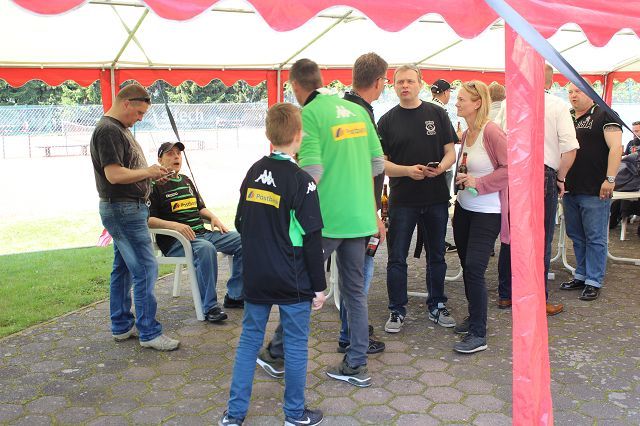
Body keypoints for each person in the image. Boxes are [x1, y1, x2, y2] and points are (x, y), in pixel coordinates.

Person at [256, 59, 385, 388]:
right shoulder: (355, 110)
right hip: (359, 216)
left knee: (300, 284)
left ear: (295, 86)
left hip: (325, 220)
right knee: (355, 292)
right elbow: (377, 163)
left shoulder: (309, 115)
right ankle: (356, 364)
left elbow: (312, 172)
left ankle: (278, 353)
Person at [219, 103, 326, 426]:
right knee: (295, 345)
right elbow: (312, 238)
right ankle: (294, 414)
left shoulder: (253, 171)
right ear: (299, 136)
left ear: (269, 134)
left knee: (248, 341)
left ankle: (233, 415)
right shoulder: (302, 181)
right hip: (292, 278)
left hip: (256, 274)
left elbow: (240, 222)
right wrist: (319, 287)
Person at [90, 83, 179, 351]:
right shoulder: (108, 130)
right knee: (145, 268)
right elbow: (114, 175)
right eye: (139, 112)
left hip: (126, 208)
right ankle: (149, 332)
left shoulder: (119, 129)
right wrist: (148, 172)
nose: (140, 118)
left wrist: (151, 177)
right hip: (123, 209)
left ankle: (121, 326)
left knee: (123, 268)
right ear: (126, 103)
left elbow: (127, 172)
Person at [378, 65, 457, 334]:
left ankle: (437, 304)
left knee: (437, 255)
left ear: (420, 84)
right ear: (393, 86)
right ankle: (396, 309)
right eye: (400, 82)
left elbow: (450, 152)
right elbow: (381, 164)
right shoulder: (386, 121)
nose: (405, 86)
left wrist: (441, 168)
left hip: (436, 198)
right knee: (396, 258)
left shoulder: (437, 113)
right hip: (402, 201)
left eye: (410, 81)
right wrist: (407, 171)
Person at [496, 64, 579, 316]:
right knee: (539, 240)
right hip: (542, 173)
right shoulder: (557, 105)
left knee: (512, 235)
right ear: (550, 83)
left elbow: (498, 140)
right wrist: (561, 178)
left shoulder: (509, 103)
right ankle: (537, 299)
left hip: (514, 173)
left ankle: (506, 294)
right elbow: (570, 149)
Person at [148, 142, 244, 323]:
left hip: (202, 234)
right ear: (160, 160)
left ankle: (236, 296)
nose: (176, 157)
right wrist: (175, 226)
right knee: (206, 248)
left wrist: (213, 217)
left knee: (243, 240)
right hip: (177, 241)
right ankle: (210, 307)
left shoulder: (186, 180)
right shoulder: (153, 185)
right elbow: (148, 220)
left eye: (178, 153)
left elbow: (200, 208)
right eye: (170, 154)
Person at [337, 52, 388, 355]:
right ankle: (351, 336)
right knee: (359, 276)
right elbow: (364, 167)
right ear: (379, 81)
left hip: (344, 206)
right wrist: (374, 214)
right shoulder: (360, 113)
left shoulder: (343, 108)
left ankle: (350, 331)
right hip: (358, 210)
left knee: (352, 275)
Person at [452, 80, 508, 354]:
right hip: (464, 210)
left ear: (477, 103)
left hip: (488, 212)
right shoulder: (466, 133)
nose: (457, 103)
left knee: (474, 267)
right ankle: (474, 315)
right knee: (467, 265)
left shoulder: (492, 131)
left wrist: (479, 182)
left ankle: (478, 333)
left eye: (462, 99)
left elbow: (511, 169)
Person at [560, 82, 623, 301]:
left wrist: (610, 179)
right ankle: (581, 274)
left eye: (578, 91)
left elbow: (616, 147)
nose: (573, 95)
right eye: (570, 92)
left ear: (590, 92)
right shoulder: (567, 116)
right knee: (576, 235)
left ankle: (594, 280)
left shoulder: (604, 113)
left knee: (595, 236)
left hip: (596, 188)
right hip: (570, 187)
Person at [428, 78, 460, 253]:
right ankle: (438, 241)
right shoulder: (440, 110)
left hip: (432, 163)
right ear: (446, 92)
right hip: (442, 165)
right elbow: (451, 138)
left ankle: (433, 240)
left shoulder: (426, 107)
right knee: (441, 205)